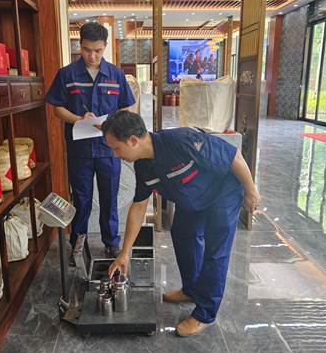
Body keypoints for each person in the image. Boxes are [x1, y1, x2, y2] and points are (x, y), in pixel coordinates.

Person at [102, 111, 261, 337]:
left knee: (216, 252)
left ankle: (205, 313)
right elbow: (138, 206)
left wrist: (251, 191)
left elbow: (233, 156)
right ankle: (191, 289)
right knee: (182, 233)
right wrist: (125, 253)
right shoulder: (143, 167)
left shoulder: (181, 140)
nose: (115, 155)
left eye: (116, 148)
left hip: (222, 193)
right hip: (192, 199)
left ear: (133, 141)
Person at [45, 22, 135, 265]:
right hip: (80, 150)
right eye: (86, 50)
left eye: (97, 50)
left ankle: (111, 242)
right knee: (81, 198)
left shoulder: (115, 75)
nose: (92, 56)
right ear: (79, 45)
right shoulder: (67, 75)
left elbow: (126, 107)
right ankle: (77, 244)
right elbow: (57, 109)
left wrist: (113, 122)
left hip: (109, 149)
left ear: (105, 46)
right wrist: (79, 119)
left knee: (109, 197)